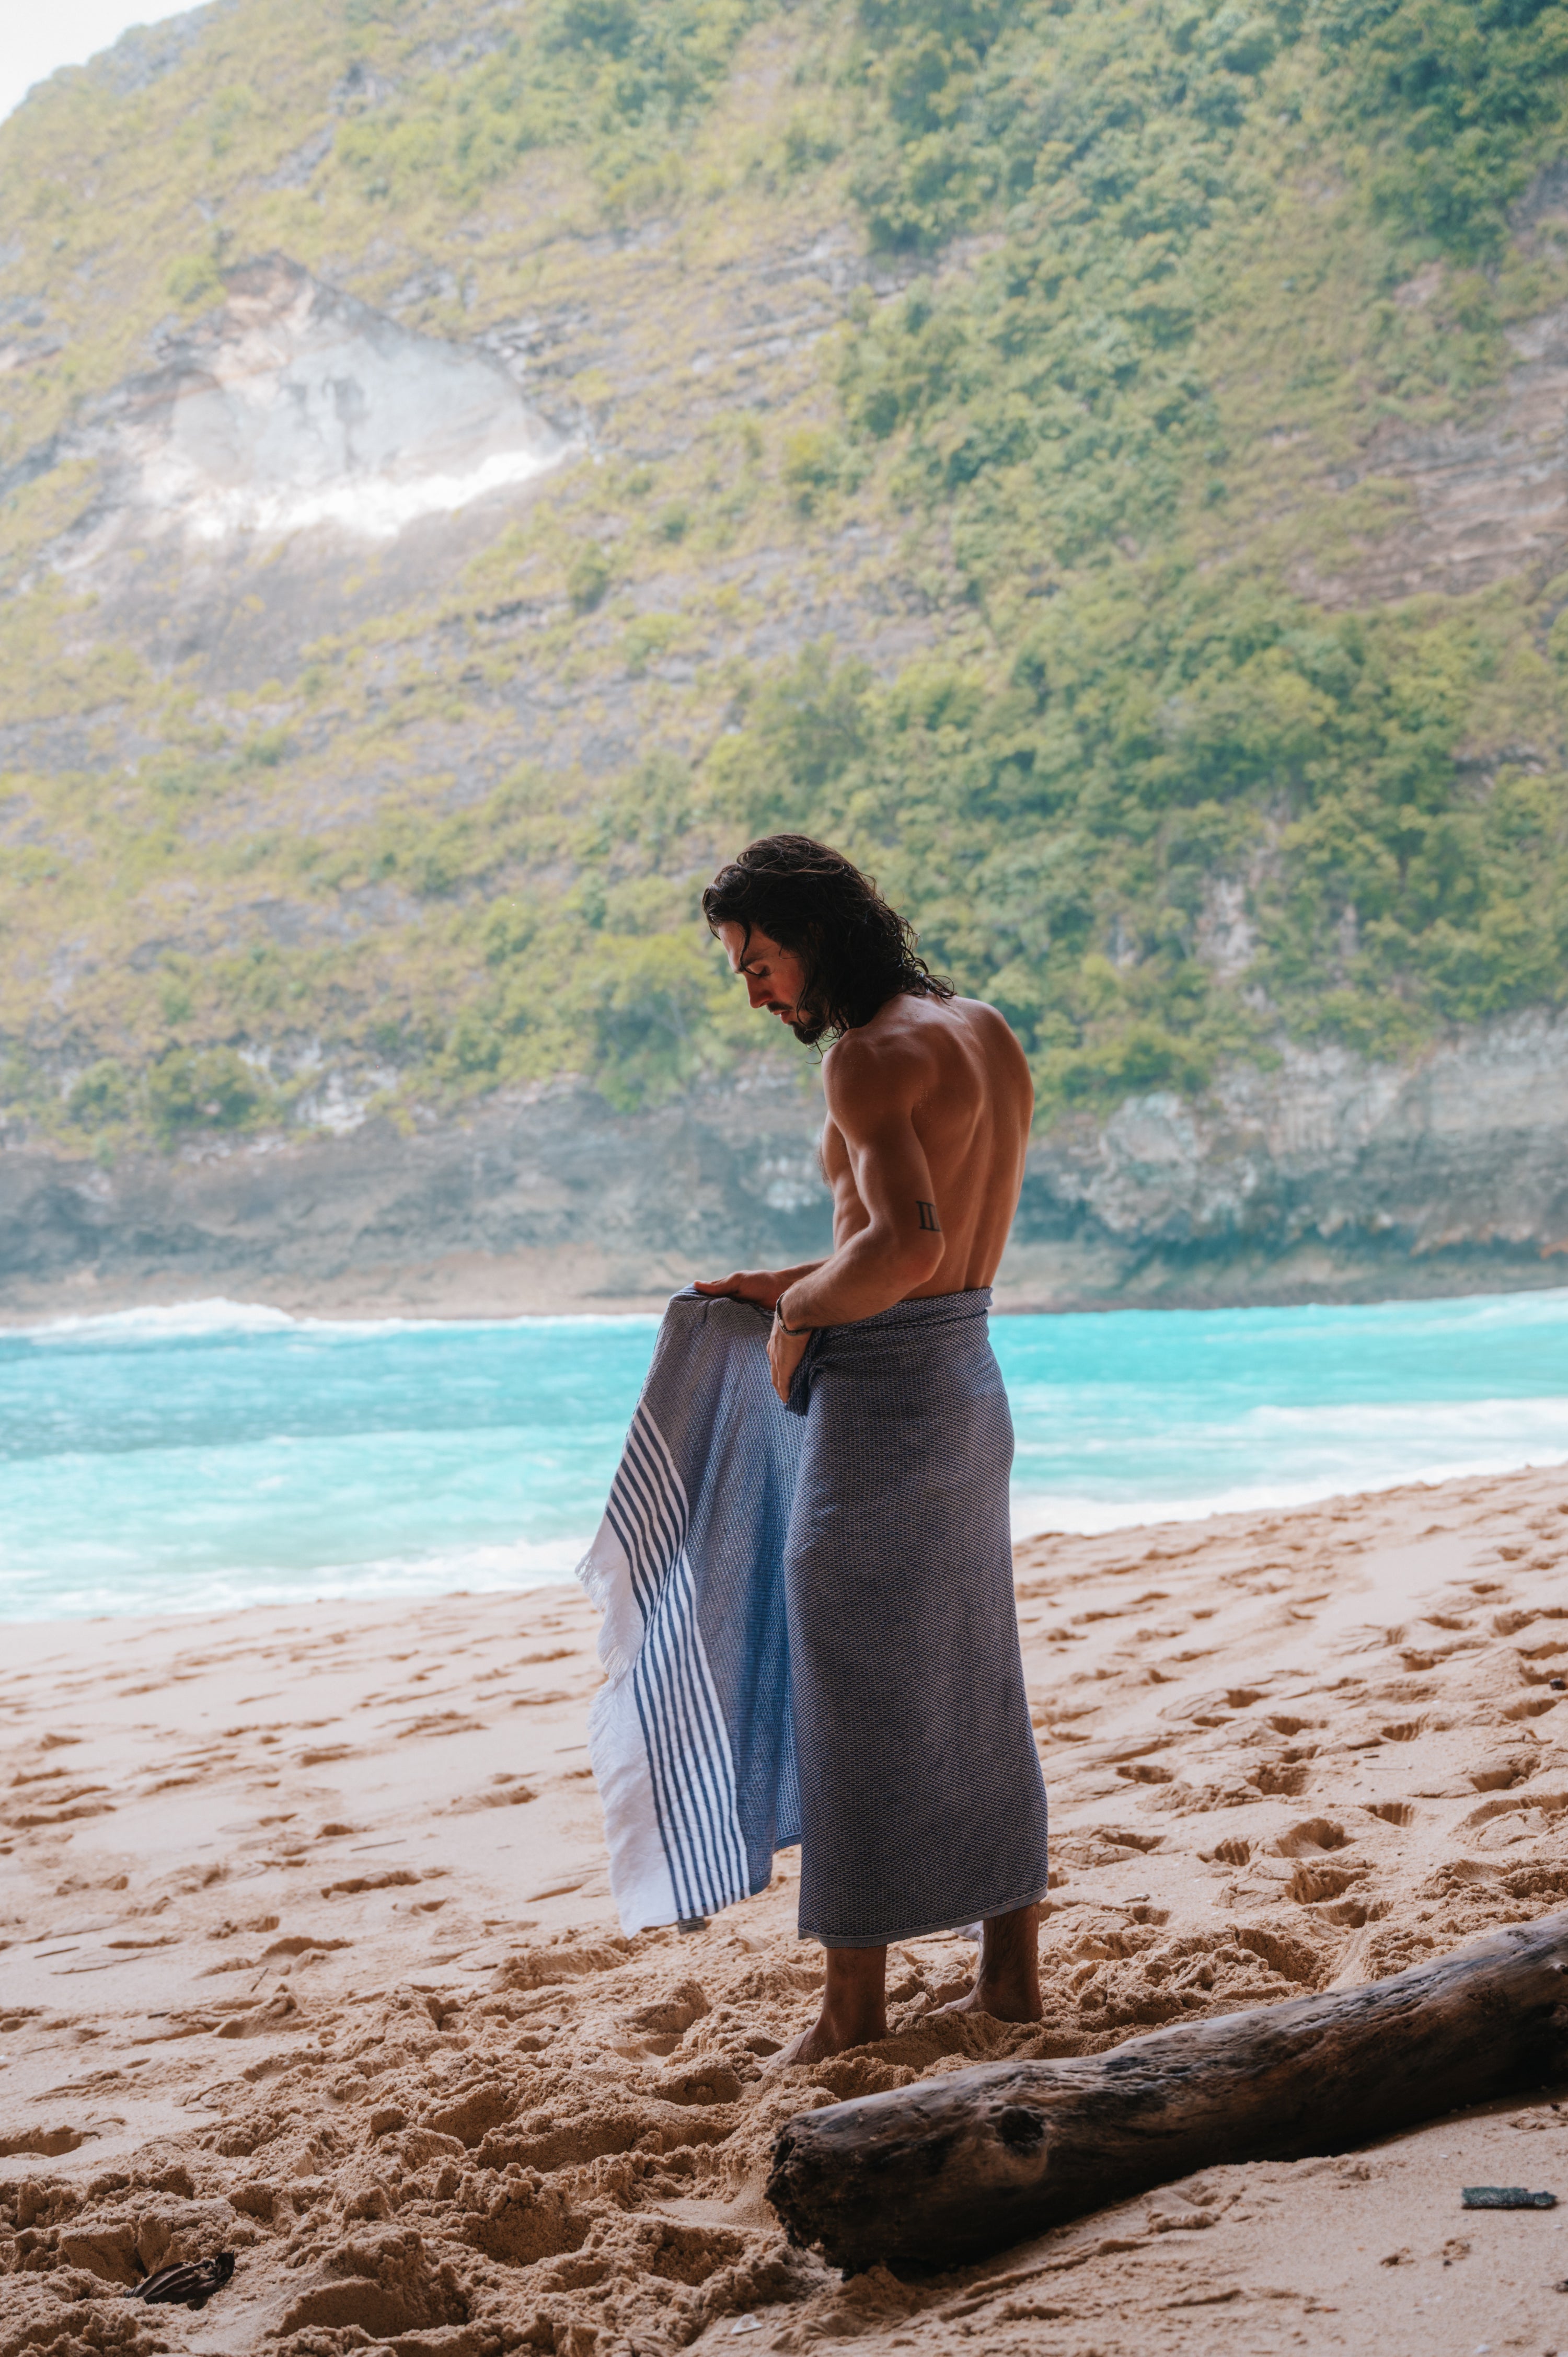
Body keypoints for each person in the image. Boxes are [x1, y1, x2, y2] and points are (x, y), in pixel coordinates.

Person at [695, 833, 1050, 2064]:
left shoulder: (865, 1056)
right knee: (976, 1675)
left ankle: (854, 2009)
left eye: (759, 964)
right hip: (968, 1386)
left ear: (812, 934)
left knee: (849, 1697)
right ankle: (1010, 1976)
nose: (756, 994)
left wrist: (797, 1315)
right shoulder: (983, 1031)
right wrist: (786, 1277)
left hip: (887, 1406)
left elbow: (902, 1250)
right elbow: (939, 1250)